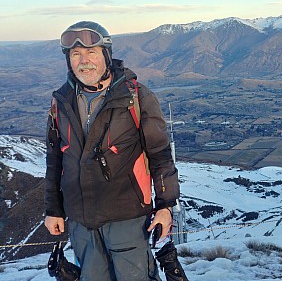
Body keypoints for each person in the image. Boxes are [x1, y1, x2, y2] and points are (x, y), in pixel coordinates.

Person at [44, 21, 180, 281]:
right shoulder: (60, 103)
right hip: (81, 221)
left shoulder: (136, 97)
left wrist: (166, 206)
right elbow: (55, 160)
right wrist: (53, 209)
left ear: (105, 54)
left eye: (91, 52)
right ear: (68, 60)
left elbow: (160, 155)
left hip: (127, 217)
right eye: (76, 54)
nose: (84, 61)